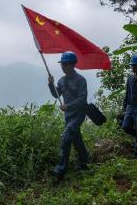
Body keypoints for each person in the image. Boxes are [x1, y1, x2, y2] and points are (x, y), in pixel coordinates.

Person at [48, 51, 89, 179]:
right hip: (69, 116)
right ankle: (85, 161)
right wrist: (51, 84)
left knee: (66, 137)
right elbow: (56, 94)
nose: (63, 66)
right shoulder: (61, 80)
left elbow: (82, 99)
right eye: (62, 64)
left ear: (72, 65)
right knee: (76, 140)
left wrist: (68, 106)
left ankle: (61, 169)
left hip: (78, 114)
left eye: (65, 64)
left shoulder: (80, 80)